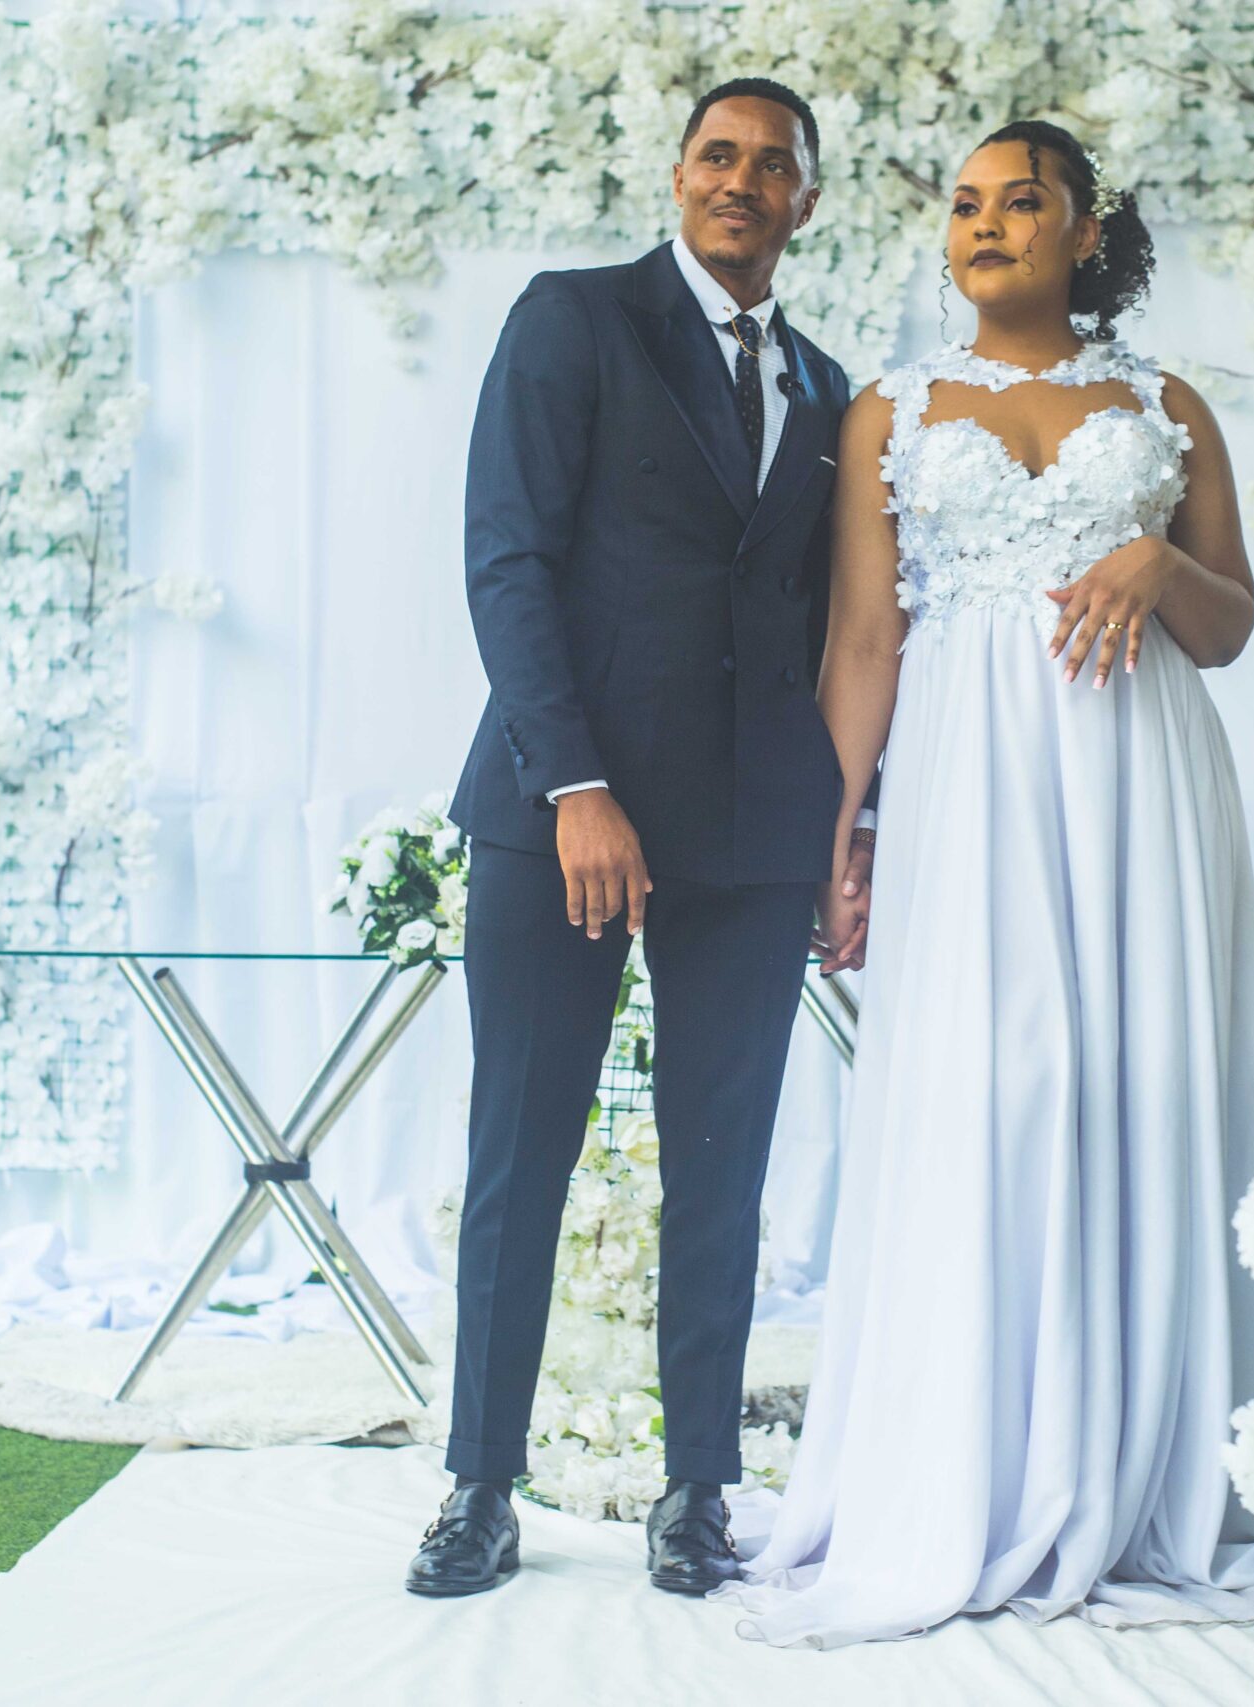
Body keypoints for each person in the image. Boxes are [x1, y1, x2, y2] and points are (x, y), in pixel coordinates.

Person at [709, 119, 1254, 1648]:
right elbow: (864, 641)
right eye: (964, 204)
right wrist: (839, 837)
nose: (982, 224)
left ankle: (1138, 1465)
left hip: (1142, 785)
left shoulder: (1166, 406)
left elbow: (1232, 627)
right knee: (993, 1089)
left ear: (1084, 229)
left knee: (1137, 1086)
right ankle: (971, 1467)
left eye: (1019, 201)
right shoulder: (893, 410)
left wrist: (1159, 570)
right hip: (968, 787)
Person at [416, 78, 873, 1598]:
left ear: (805, 202)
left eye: (772, 166)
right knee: (521, 1154)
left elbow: (833, 627)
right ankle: (480, 1487)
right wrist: (575, 787)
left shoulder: (826, 386)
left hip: (754, 837)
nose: (741, 181)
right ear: (680, 177)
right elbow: (508, 557)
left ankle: (698, 1490)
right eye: (717, 156)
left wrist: (842, 831)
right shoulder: (574, 320)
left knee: (722, 1172)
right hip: (566, 813)